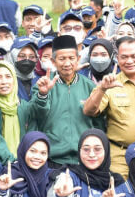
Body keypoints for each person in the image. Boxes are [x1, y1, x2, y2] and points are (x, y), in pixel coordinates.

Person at [83, 37, 135, 179]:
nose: (129, 61)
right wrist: (101, 89)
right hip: (121, 157)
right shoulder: (109, 84)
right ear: (117, 59)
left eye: (134, 56)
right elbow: (88, 111)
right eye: (124, 57)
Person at [30, 35, 98, 166]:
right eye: (62, 59)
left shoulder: (89, 86)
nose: (67, 63)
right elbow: (37, 114)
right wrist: (43, 94)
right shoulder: (43, 85)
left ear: (78, 59)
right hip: (52, 159)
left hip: (85, 159)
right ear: (53, 61)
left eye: (71, 58)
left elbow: (99, 122)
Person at [0, 61, 42, 158]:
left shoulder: (25, 106)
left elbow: (31, 137)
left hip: (25, 163)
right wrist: (12, 162)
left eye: (8, 76)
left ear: (14, 79)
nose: (4, 81)